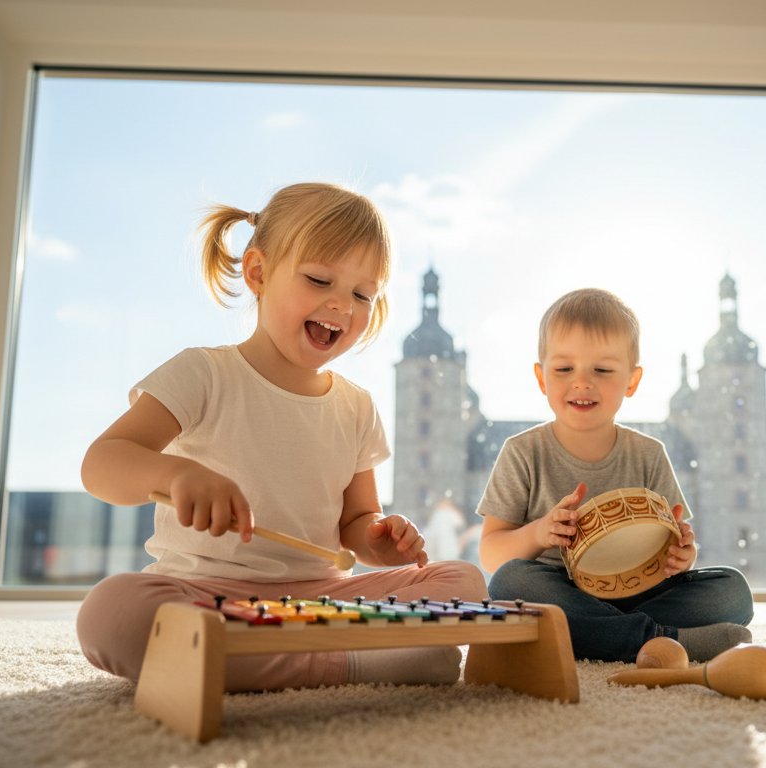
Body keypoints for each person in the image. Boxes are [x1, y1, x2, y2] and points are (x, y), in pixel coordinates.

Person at [76, 182, 486, 692]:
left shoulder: (356, 406)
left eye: (362, 294)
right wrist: (176, 472)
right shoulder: (203, 373)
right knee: (113, 611)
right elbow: (101, 465)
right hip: (206, 594)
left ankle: (246, 659)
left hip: (320, 601)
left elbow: (356, 523)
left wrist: (381, 541)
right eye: (319, 280)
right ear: (258, 273)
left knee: (462, 581)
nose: (341, 305)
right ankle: (357, 664)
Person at [477, 288, 755, 663]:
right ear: (542, 378)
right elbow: (492, 553)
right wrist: (539, 533)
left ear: (632, 381)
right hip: (557, 589)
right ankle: (659, 639)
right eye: (564, 369)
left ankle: (600, 633)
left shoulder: (649, 453)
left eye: (603, 370)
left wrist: (682, 556)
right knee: (509, 582)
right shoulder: (522, 451)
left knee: (732, 591)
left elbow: (673, 540)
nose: (582, 382)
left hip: (638, 591)